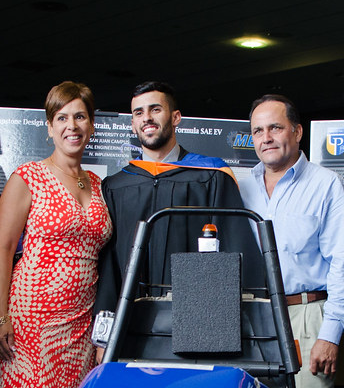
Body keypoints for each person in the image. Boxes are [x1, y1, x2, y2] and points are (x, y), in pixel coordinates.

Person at [92, 81, 262, 336]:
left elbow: (232, 253)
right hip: (128, 326)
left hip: (196, 321)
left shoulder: (210, 177)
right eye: (138, 113)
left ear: (176, 117)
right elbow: (108, 268)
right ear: (133, 124)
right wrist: (104, 333)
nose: (146, 118)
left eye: (155, 109)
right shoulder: (116, 186)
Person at [0, 82, 112, 388]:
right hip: (34, 319)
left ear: (91, 125)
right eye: (61, 118)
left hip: (82, 320)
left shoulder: (99, 184)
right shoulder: (28, 177)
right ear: (49, 127)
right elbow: (1, 248)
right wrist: (1, 317)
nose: (71, 126)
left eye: (79, 117)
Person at [238, 94, 344, 388]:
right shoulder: (242, 188)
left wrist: (330, 335)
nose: (266, 138)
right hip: (253, 319)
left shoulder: (328, 186)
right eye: (258, 131)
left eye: (275, 127)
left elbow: (342, 264)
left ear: (297, 131)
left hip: (306, 318)